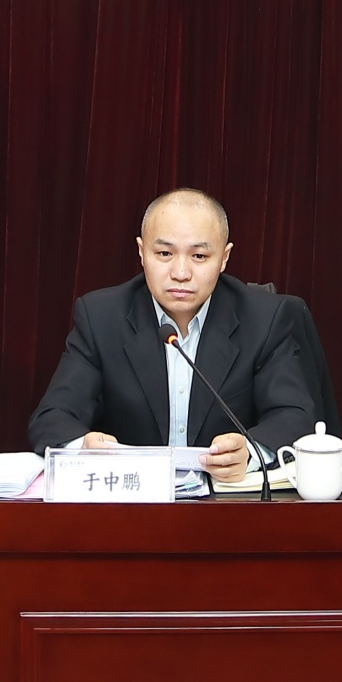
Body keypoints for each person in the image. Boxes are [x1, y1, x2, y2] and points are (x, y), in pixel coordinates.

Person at [27, 188, 317, 486]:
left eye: (199, 256)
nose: (180, 273)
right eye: (164, 254)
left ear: (224, 257)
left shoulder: (264, 318)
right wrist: (83, 448)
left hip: (224, 502)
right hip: (132, 501)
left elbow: (294, 415)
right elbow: (52, 417)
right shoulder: (101, 317)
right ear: (142, 252)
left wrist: (251, 453)